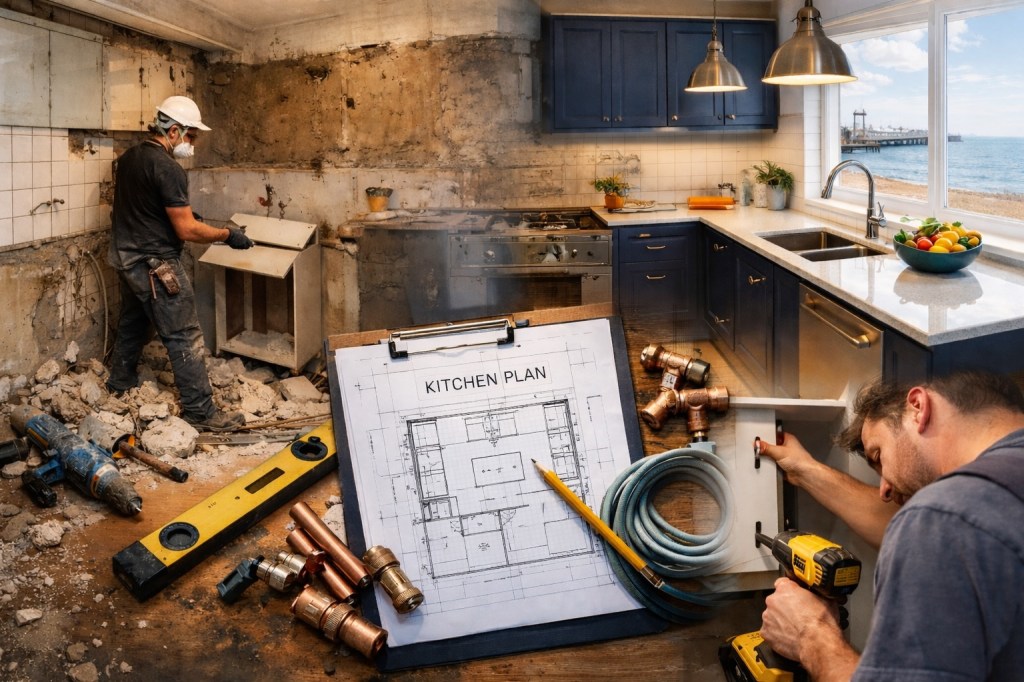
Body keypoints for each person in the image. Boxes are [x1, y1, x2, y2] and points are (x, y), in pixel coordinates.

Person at [756, 370, 1024, 681]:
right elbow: (925, 525)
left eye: (878, 456)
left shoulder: (941, 519)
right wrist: (805, 470)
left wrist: (809, 634)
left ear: (918, 407)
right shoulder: (991, 502)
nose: (883, 490)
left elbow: (937, 522)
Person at [106, 95, 254, 432]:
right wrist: (227, 235)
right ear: (173, 131)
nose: (193, 144)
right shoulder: (168, 168)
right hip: (155, 264)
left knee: (133, 322)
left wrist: (181, 215)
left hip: (125, 258)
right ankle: (201, 413)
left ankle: (119, 383)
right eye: (191, 136)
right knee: (184, 335)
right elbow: (186, 230)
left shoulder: (129, 158)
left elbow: (143, 207)